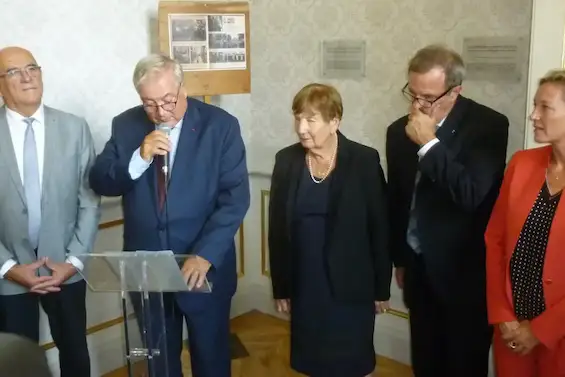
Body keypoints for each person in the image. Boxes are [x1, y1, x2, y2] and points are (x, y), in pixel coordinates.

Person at [89, 54, 250, 377]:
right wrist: (139, 157)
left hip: (203, 269)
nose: (161, 112)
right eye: (149, 104)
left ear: (183, 88)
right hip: (146, 269)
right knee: (159, 361)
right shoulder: (126, 125)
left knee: (211, 358)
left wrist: (204, 255)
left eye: (167, 101)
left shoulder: (221, 126)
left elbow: (235, 198)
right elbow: (100, 180)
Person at [385, 44, 509, 377]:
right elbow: (399, 200)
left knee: (463, 365)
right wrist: (400, 258)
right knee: (425, 362)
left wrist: (428, 144)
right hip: (417, 269)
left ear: (455, 91)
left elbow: (471, 194)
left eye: (428, 97)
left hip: (464, 277)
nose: (417, 105)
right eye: (412, 93)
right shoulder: (398, 131)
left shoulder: (489, 126)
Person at [268, 83, 392, 377]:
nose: (301, 128)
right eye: (298, 117)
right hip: (306, 283)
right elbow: (277, 230)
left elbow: (380, 226)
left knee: (352, 361)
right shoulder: (286, 160)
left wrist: (380, 287)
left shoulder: (363, 160)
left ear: (334, 121)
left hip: (351, 285)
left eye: (311, 119)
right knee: (312, 360)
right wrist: (281, 285)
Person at [0, 47, 100, 377]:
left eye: (32, 67)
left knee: (75, 352)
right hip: (9, 273)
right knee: (15, 363)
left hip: (64, 269)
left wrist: (72, 262)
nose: (27, 76)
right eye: (14, 72)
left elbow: (89, 201)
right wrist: (9, 267)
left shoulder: (74, 128)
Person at [486, 69, 565, 377]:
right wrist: (501, 313)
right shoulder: (522, 163)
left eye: (545, 107)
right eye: (535, 105)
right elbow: (495, 240)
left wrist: (542, 329)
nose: (533, 115)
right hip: (511, 329)